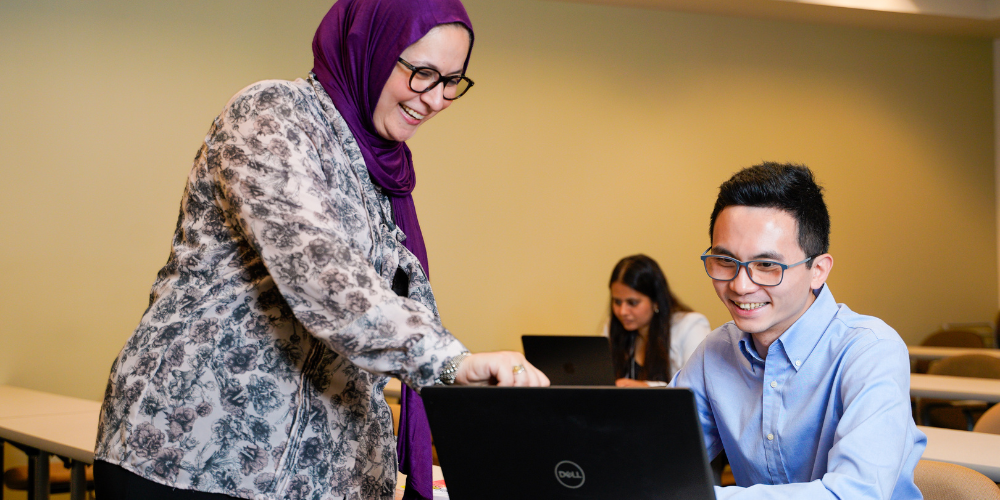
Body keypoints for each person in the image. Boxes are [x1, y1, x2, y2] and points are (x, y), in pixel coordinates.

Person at [92, 1, 547, 499]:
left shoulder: (381, 172)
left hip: (311, 478)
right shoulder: (272, 113)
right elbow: (317, 269)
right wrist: (449, 362)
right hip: (191, 456)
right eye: (421, 73)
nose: (436, 98)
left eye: (452, 81)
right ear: (367, 49)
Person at [672, 162, 925, 499]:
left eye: (766, 265)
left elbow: (852, 495)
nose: (740, 285)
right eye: (725, 262)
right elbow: (658, 457)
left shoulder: (871, 351)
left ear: (817, 270)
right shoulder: (716, 352)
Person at [605, 254, 710, 387]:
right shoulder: (612, 327)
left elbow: (697, 389)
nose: (622, 311)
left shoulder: (690, 326)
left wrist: (648, 388)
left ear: (656, 302)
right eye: (617, 302)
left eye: (632, 302)